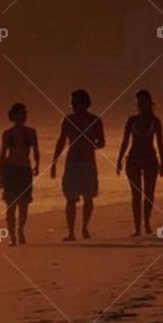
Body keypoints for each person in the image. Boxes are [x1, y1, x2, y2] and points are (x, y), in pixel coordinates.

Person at [50, 89, 105, 241]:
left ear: (85, 104)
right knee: (70, 198)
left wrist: (89, 145)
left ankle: (84, 227)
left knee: (88, 196)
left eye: (77, 103)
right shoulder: (67, 120)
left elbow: (102, 142)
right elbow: (61, 141)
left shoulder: (95, 120)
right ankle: (71, 232)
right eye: (72, 103)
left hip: (88, 162)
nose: (74, 106)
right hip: (72, 162)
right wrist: (54, 162)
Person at [116, 90, 163, 237]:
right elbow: (125, 141)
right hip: (133, 159)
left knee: (149, 194)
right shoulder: (131, 120)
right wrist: (119, 160)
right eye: (138, 102)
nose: (140, 104)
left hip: (150, 159)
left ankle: (147, 223)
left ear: (149, 103)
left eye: (143, 101)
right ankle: (137, 227)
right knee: (136, 194)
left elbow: (160, 143)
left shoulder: (155, 121)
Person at [0, 103, 40, 246]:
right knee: (10, 205)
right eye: (21, 113)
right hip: (11, 170)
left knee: (24, 204)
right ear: (13, 116)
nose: (24, 116)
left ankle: (20, 229)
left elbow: (36, 150)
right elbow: (3, 155)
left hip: (24, 170)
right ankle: (12, 236)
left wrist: (37, 165)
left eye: (25, 113)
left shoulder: (31, 132)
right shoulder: (7, 134)